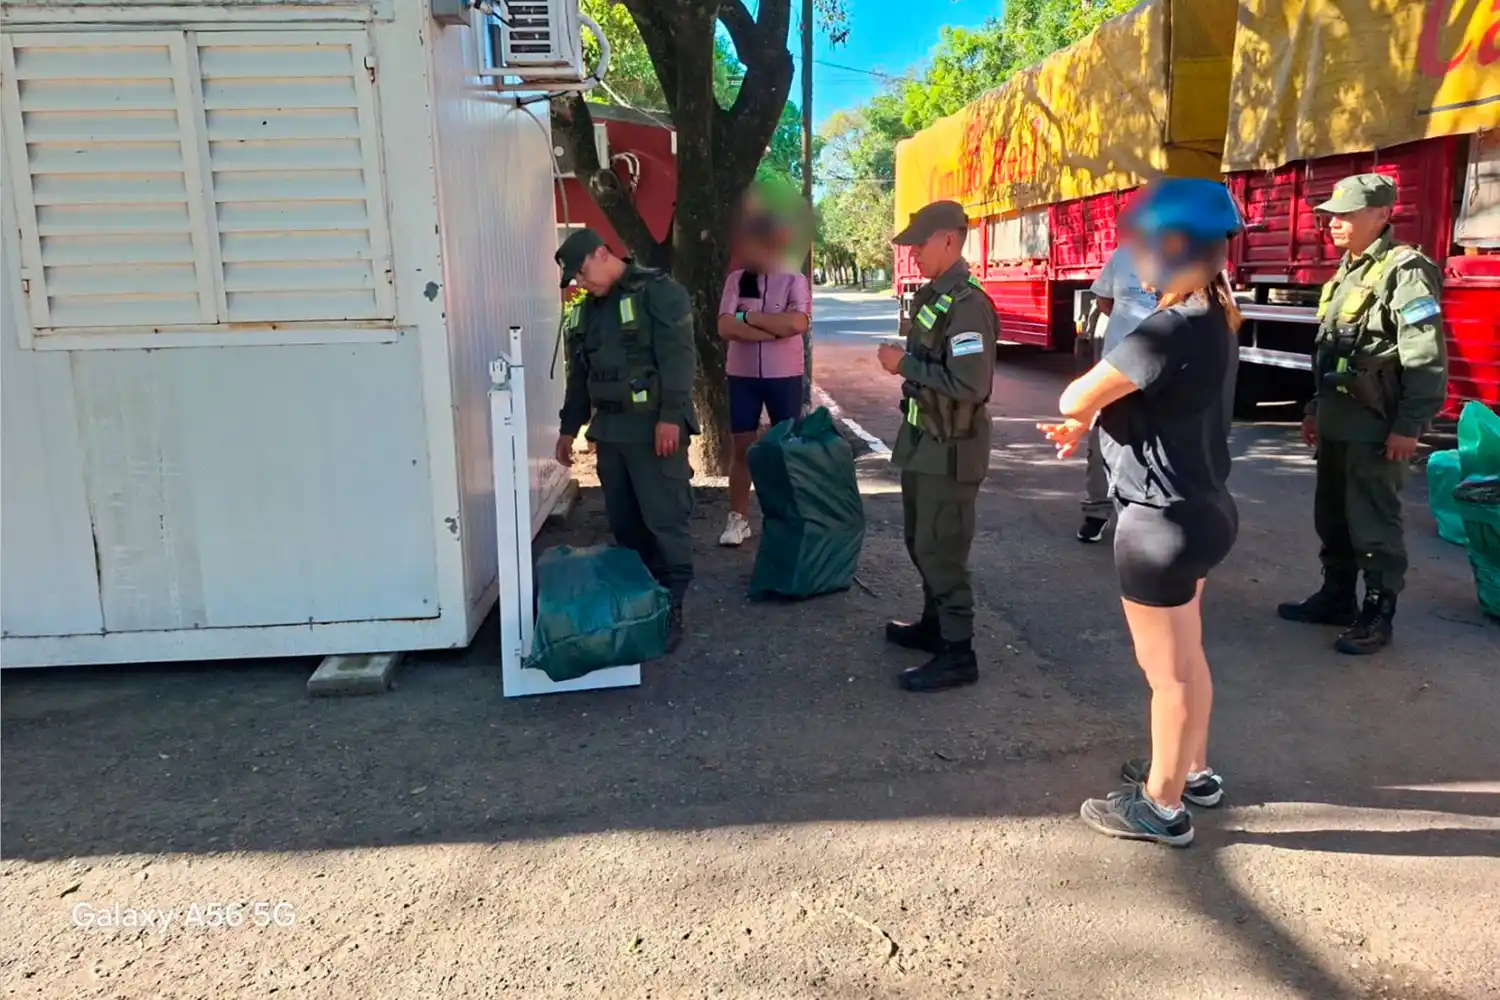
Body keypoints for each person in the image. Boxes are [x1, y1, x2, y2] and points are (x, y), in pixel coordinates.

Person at [1038, 178, 1244, 847]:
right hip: (1206, 509)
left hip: (1158, 524)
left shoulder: (1163, 328)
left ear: (1170, 246)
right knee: (1190, 656)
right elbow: (1156, 406)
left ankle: (1162, 806)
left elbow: (1074, 395)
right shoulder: (1215, 317)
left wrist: (1085, 412)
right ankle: (1194, 770)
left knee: (1168, 674)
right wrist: (1099, 418)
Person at [1276, 173, 1448, 655]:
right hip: (1338, 419)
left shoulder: (1405, 270)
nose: (1334, 224)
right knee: (1333, 516)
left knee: (1373, 519)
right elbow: (1330, 352)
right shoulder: (1349, 270)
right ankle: (1337, 598)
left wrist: (1409, 426)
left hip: (1375, 423)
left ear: (1381, 215)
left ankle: (1377, 611)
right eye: (1331, 215)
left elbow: (1424, 355)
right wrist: (1314, 408)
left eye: (1346, 214)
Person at [553, 228, 698, 653]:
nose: (580, 284)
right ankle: (642, 603)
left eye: (581, 273)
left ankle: (673, 607)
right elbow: (581, 376)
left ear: (602, 254)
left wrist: (671, 416)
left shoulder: (659, 292)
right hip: (612, 435)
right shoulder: (588, 312)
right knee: (625, 524)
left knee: (665, 520)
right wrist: (568, 427)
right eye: (575, 280)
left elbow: (679, 357)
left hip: (655, 431)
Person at [878, 200, 999, 693]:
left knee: (941, 547)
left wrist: (903, 365)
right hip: (925, 440)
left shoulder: (968, 305)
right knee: (919, 541)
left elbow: (970, 385)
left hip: (952, 448)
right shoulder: (936, 297)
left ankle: (958, 652)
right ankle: (935, 626)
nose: (913, 254)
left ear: (949, 240)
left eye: (919, 245)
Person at [716, 205, 812, 547]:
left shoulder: (794, 278)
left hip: (784, 374)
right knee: (742, 447)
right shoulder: (737, 280)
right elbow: (725, 325)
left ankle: (788, 518)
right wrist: (772, 327)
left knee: (786, 448)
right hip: (741, 375)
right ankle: (738, 519)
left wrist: (748, 318)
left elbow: (797, 323)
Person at [1079, 232, 1160, 543]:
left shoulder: (1182, 261)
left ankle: (1146, 515)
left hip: (1160, 370)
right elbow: (1104, 301)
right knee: (1101, 441)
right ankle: (1096, 512)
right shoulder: (1123, 255)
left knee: (1155, 444)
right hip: (1117, 365)